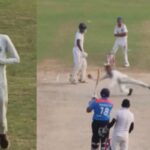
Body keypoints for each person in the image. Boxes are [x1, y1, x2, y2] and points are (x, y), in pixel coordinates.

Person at [0, 34, 20, 148]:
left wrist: (2, 61)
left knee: (2, 114)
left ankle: (2, 133)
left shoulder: (4, 39)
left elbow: (17, 59)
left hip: (1, 82)